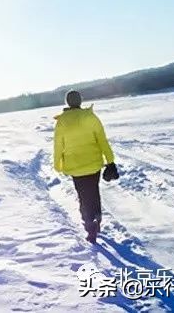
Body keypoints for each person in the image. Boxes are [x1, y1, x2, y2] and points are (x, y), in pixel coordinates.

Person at [53, 90, 118, 243]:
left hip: (75, 167)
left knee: (83, 196)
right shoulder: (90, 117)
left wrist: (58, 165)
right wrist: (110, 160)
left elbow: (58, 146)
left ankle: (89, 225)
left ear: (68, 103)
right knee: (94, 191)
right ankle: (97, 218)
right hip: (94, 164)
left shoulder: (62, 121)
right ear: (80, 101)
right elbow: (102, 141)